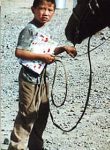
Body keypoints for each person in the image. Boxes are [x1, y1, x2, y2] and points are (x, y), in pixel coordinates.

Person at [8, 0, 77, 150]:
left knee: (41, 114)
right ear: (33, 10)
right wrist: (41, 58)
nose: (45, 13)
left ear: (54, 12)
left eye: (50, 10)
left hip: (42, 78)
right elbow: (19, 52)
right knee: (27, 115)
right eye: (42, 9)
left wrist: (64, 48)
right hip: (29, 79)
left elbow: (48, 50)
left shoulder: (44, 29)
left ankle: (36, 146)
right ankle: (16, 147)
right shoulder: (29, 29)